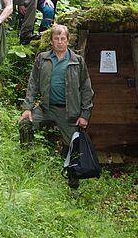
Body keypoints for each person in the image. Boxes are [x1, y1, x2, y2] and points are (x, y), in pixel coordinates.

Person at [19, 24, 94, 197]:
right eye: (56, 39)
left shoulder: (77, 61)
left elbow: (86, 89)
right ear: (51, 41)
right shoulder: (42, 59)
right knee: (25, 124)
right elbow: (33, 83)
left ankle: (73, 186)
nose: (59, 42)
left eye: (62, 39)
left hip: (69, 112)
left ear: (68, 41)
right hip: (46, 108)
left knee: (73, 146)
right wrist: (27, 108)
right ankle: (29, 165)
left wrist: (85, 114)